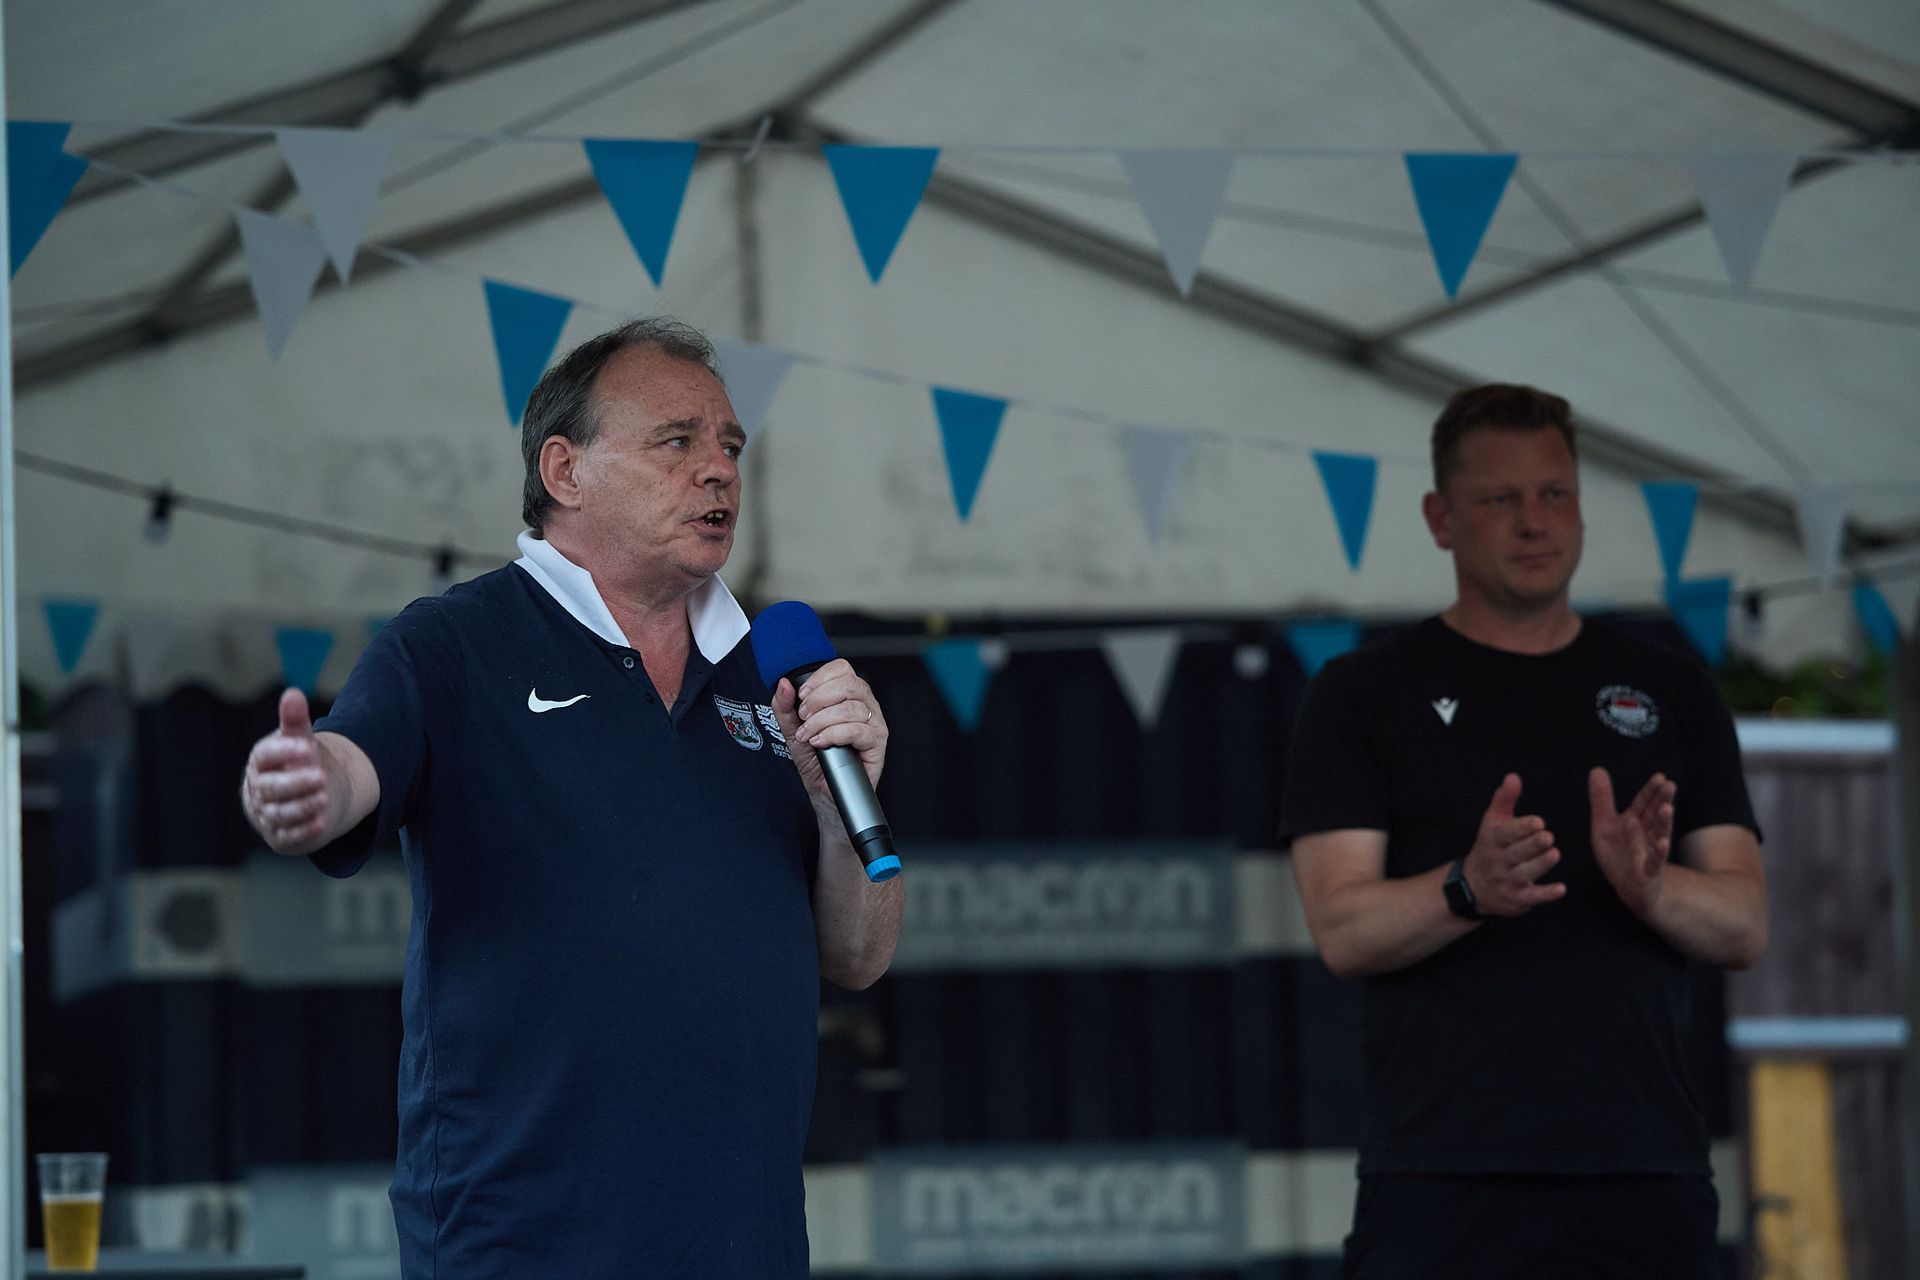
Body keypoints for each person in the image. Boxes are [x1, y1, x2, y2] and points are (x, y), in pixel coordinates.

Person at [238, 317, 903, 1279]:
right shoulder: (457, 644)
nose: (719, 470)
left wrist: (845, 811)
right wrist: (308, 782)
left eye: (729, 446)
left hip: (745, 1244)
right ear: (565, 471)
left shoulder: (775, 671)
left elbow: (860, 955)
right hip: (526, 1240)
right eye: (676, 441)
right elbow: (350, 764)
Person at [1279, 384, 1767, 1279]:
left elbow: (1744, 925)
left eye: (1554, 494)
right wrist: (1467, 889)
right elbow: (1342, 929)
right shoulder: (1361, 694)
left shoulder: (1672, 687)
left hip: (1643, 1169)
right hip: (1443, 1176)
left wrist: (1654, 888)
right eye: (1500, 498)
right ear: (1441, 520)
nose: (1534, 522)